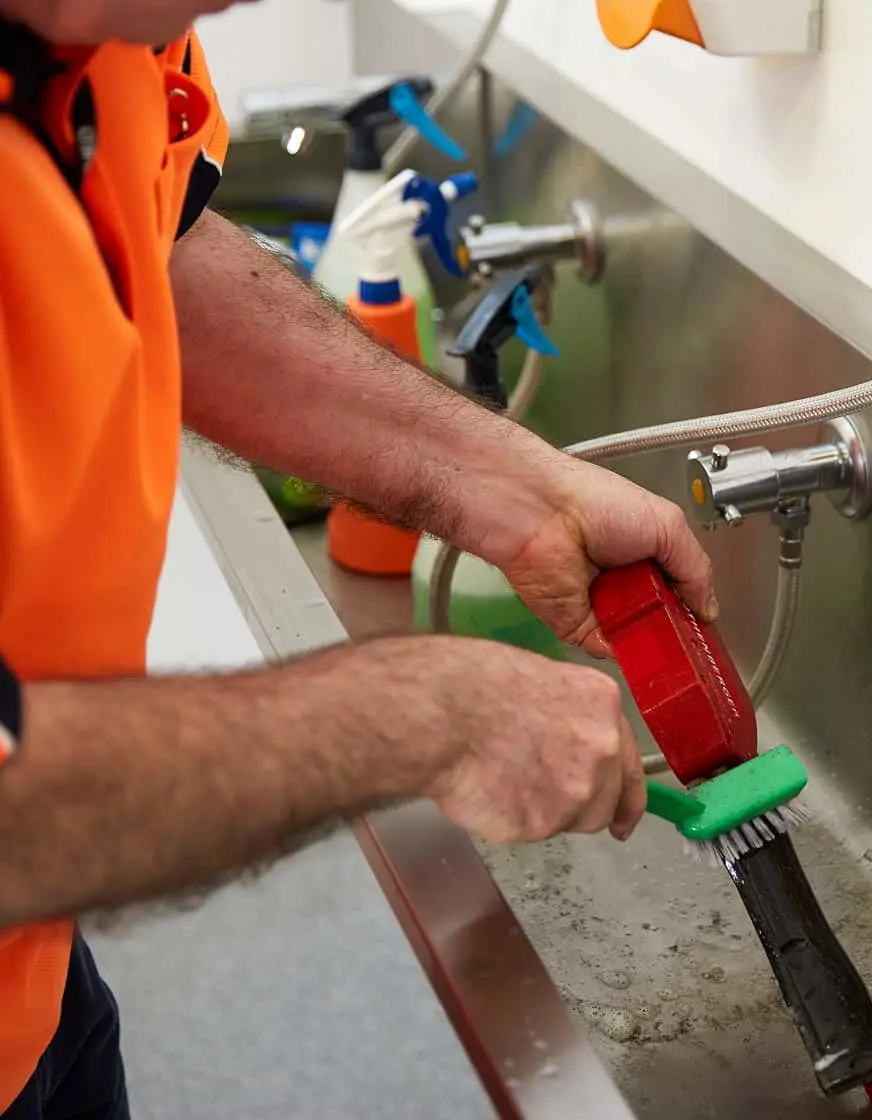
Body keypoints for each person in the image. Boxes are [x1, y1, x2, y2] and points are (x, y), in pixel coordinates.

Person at [0, 2, 718, 1116]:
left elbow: (156, 241)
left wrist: (512, 490)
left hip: (29, 977)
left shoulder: (111, 30)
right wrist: (422, 715)